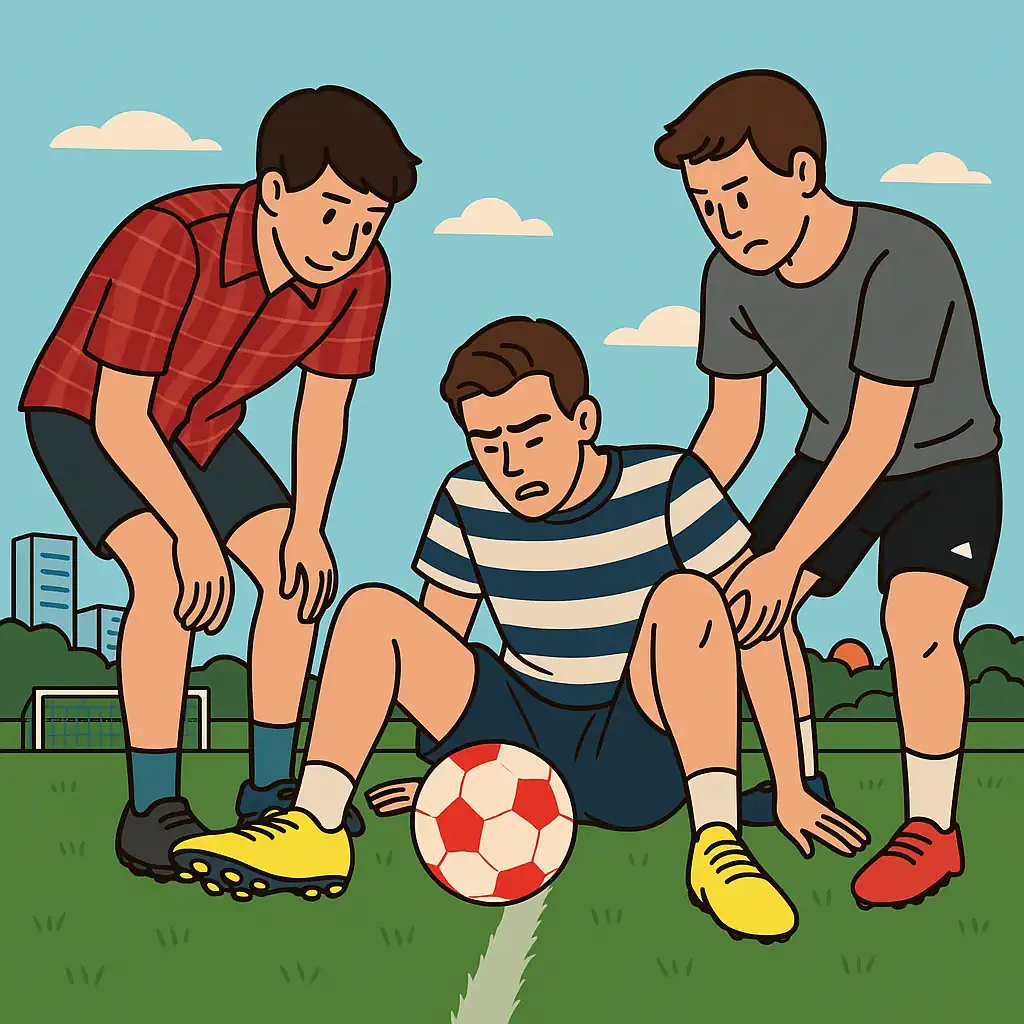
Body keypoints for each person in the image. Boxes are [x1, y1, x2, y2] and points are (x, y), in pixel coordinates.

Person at [172, 317, 869, 941]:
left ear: (584, 420)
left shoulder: (670, 484)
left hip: (633, 742)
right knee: (371, 612)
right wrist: (446, 779)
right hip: (519, 726)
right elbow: (437, 640)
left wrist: (794, 781)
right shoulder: (464, 497)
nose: (511, 463)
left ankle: (718, 846)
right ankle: (315, 828)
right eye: (488, 442)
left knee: (690, 600)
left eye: (532, 434)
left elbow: (762, 631)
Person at [20, 86, 420, 882]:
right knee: (169, 578)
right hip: (86, 415)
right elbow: (123, 418)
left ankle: (274, 795)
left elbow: (324, 410)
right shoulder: (169, 240)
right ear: (274, 190)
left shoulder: (364, 274)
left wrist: (307, 525)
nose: (348, 241)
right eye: (333, 212)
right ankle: (153, 810)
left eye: (368, 223)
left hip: (203, 428)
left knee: (297, 578)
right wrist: (193, 538)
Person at [655, 70, 1001, 908]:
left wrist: (785, 561)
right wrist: (661, 520)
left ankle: (932, 831)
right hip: (826, 453)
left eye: (740, 195)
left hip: (943, 461)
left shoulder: (906, 254)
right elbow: (733, 427)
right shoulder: (727, 276)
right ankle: (796, 783)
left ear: (804, 172)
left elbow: (878, 434)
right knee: (745, 600)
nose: (726, 223)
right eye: (706, 205)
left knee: (913, 620)